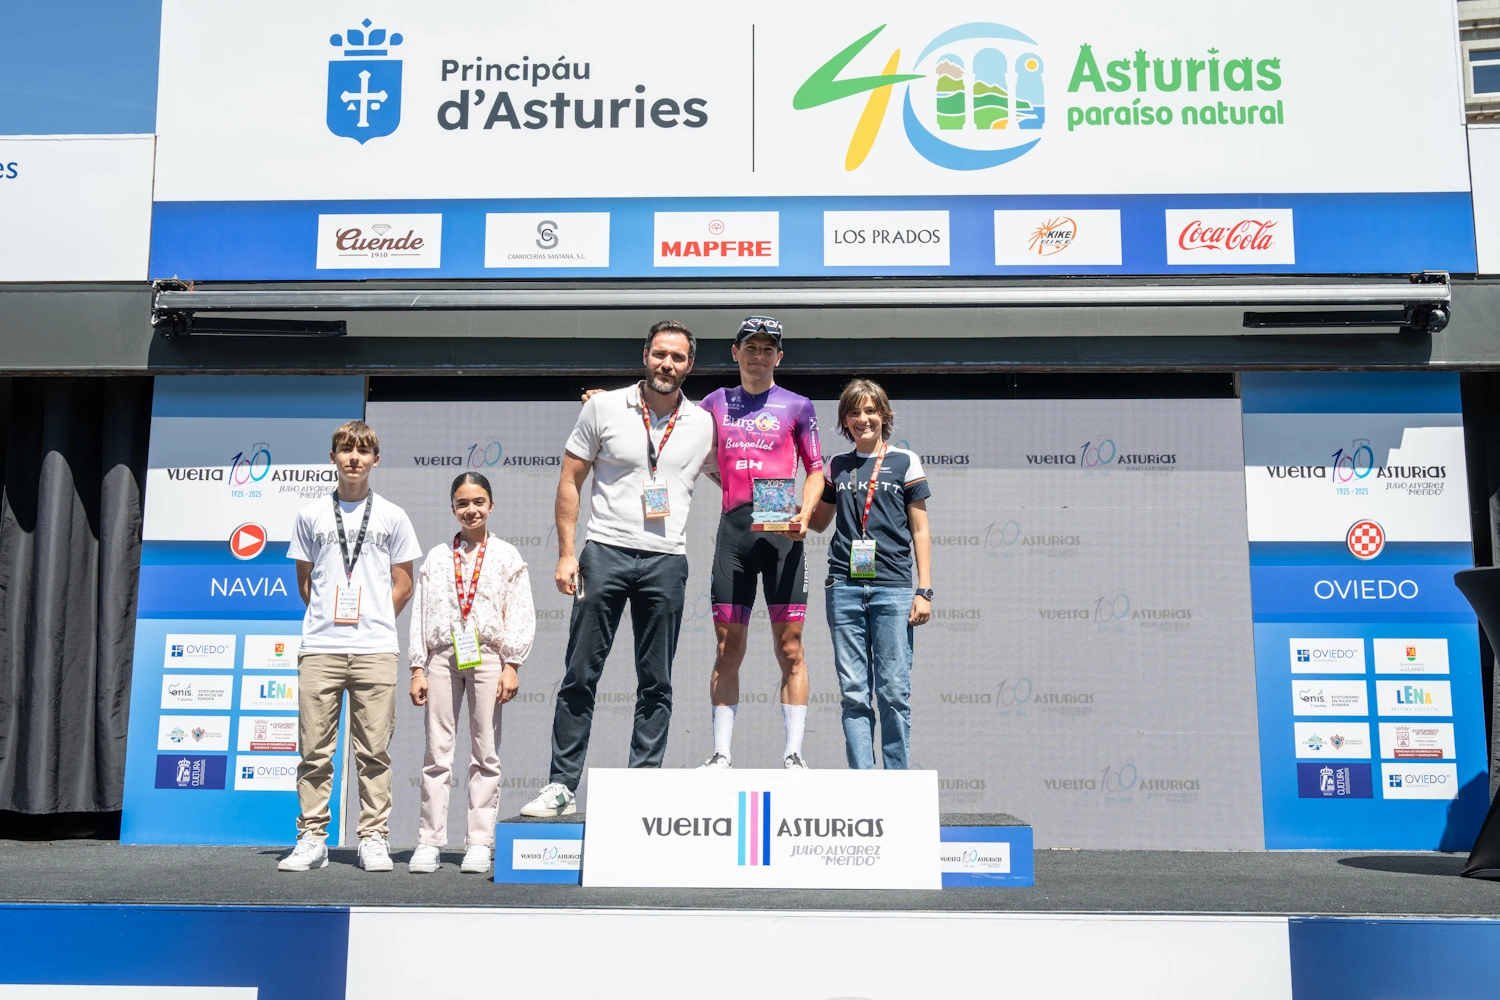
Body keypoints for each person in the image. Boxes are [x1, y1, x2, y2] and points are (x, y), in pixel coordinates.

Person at [520, 320, 716, 817]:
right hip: (604, 552)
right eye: (659, 354)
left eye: (677, 357)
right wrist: (567, 553)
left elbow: (736, 475)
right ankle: (561, 786)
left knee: (657, 682)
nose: (667, 364)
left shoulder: (704, 423)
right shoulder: (603, 407)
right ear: (644, 355)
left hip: (666, 560)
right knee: (579, 674)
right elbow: (570, 480)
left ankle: (641, 788)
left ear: (690, 365)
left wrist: (782, 502)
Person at [279, 420, 422, 873]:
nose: (354, 458)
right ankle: (312, 838)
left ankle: (373, 838)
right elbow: (306, 583)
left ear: (376, 460)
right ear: (333, 458)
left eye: (362, 451)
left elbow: (404, 584)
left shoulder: (393, 515)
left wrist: (372, 619)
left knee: (374, 752)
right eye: (346, 450)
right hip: (321, 647)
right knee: (314, 751)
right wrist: (332, 618)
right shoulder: (310, 515)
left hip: (376, 648)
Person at [698, 316, 825, 770]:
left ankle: (793, 754)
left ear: (779, 356)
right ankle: (720, 755)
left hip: (782, 535)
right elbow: (667, 424)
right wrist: (615, 401)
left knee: (790, 649)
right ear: (735, 353)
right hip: (734, 535)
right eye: (750, 347)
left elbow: (816, 470)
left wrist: (805, 514)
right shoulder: (714, 402)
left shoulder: (798, 405)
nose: (758, 355)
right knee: (727, 649)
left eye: (767, 348)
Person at [405, 472, 535, 874]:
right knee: (436, 752)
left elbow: (521, 611)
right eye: (462, 503)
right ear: (453, 508)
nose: (471, 510)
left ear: (491, 505)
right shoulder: (436, 557)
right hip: (443, 656)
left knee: (486, 751)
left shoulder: (507, 555)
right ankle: (429, 841)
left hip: (488, 656)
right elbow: (419, 612)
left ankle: (479, 841)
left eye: (479, 502)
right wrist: (417, 667)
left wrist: (512, 664)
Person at [809, 380, 932, 769]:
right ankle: (863, 782)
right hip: (843, 588)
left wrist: (924, 590)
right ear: (844, 420)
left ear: (885, 415)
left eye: (870, 411)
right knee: (854, 693)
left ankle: (896, 782)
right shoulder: (836, 465)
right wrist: (774, 509)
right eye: (854, 412)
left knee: (894, 691)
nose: (863, 419)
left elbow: (920, 530)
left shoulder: (905, 462)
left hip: (893, 589)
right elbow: (818, 522)